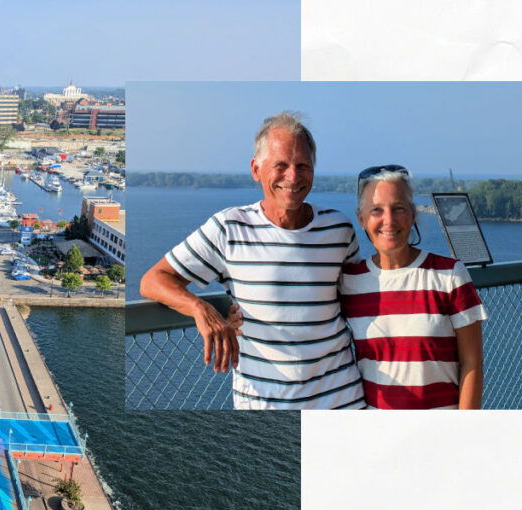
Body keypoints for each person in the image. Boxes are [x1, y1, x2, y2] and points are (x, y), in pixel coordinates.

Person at [140, 112, 365, 409]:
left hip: (343, 403)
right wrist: (200, 308)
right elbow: (153, 280)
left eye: (302, 166)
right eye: (280, 166)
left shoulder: (339, 229)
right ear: (256, 169)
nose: (293, 177)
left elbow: (360, 301)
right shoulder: (229, 228)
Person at [339, 165, 487, 409]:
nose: (388, 220)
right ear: (362, 220)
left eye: (398, 208)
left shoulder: (450, 276)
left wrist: (465, 434)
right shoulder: (350, 282)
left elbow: (472, 363)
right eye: (376, 210)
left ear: (412, 214)